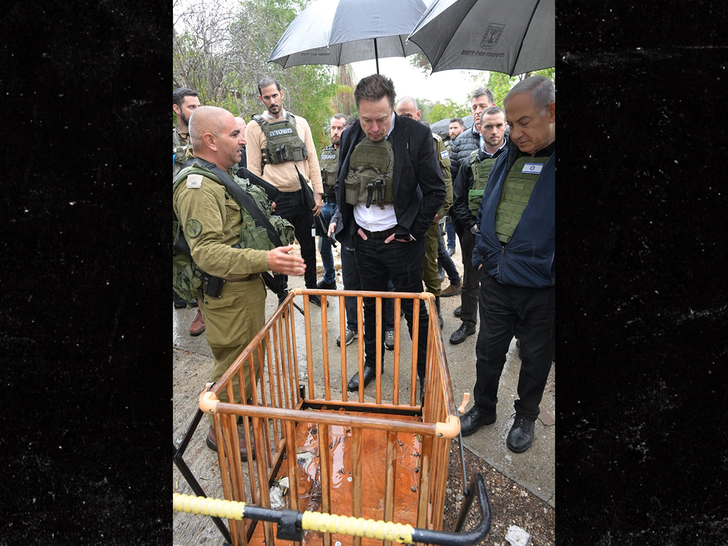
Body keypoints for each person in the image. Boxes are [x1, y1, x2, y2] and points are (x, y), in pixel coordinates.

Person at [174, 106, 306, 459]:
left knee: (246, 361)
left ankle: (238, 407)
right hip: (228, 295)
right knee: (235, 364)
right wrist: (267, 260)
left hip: (242, 289)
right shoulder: (198, 187)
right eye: (234, 134)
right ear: (210, 140)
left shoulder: (220, 175)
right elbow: (207, 254)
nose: (241, 140)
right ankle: (222, 428)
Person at [332, 74, 445, 398]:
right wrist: (349, 227)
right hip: (364, 241)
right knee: (371, 306)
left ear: (392, 108)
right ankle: (373, 364)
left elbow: (436, 191)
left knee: (413, 310)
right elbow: (341, 183)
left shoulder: (416, 135)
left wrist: (410, 232)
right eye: (366, 119)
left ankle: (423, 374)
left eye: (381, 119)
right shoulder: (351, 134)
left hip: (402, 243)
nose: (374, 127)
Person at [461, 76, 555, 454]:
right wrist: (482, 256)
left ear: (552, 112)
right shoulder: (506, 158)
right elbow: (486, 208)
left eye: (523, 122)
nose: (514, 133)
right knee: (488, 350)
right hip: (498, 280)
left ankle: (526, 416)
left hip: (542, 287)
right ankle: (484, 408)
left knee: (535, 358)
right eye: (511, 124)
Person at [246, 77, 325, 306]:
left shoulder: (300, 123)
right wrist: (261, 202)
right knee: (279, 248)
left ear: (282, 94)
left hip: (303, 195)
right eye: (267, 97)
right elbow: (253, 169)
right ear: (261, 98)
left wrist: (318, 192)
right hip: (276, 199)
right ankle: (283, 294)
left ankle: (312, 290)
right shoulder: (254, 127)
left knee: (308, 246)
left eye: (275, 95)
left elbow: (312, 159)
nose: (272, 101)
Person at [449, 106, 508, 345]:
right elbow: (458, 200)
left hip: (506, 238)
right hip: (475, 234)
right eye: (489, 126)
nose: (494, 131)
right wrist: (473, 226)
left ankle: (510, 331)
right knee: (471, 281)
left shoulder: (515, 159)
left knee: (507, 283)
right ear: (479, 128)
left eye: (499, 125)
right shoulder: (469, 162)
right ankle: (468, 323)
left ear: (505, 126)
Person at [395, 96, 453, 327]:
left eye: (408, 115)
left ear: (418, 115)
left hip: (426, 214)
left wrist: (440, 211)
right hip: (402, 217)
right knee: (401, 265)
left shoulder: (432, 140)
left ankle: (435, 309)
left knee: (429, 262)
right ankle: (407, 307)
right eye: (400, 116)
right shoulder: (392, 140)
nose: (404, 120)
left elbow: (445, 180)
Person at [172, 87, 206, 337]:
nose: (196, 111)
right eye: (191, 107)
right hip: (178, 213)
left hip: (203, 208)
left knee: (205, 257)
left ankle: (204, 310)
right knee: (183, 261)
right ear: (177, 109)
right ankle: (194, 299)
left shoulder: (204, 136)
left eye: (198, 106)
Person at [316, 113, 347, 290]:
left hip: (343, 205)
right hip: (326, 204)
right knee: (323, 246)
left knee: (347, 247)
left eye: (339, 128)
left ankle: (349, 283)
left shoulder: (350, 151)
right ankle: (329, 279)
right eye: (333, 128)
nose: (335, 132)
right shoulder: (325, 153)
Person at [444, 117, 466, 256]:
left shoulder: (466, 143)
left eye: (455, 128)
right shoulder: (445, 146)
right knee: (449, 220)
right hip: (449, 189)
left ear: (462, 129)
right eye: (451, 128)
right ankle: (451, 245)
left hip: (462, 191)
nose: (452, 131)